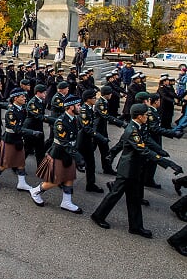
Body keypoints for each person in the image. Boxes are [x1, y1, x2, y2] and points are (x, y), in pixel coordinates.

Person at [91, 104, 183, 238]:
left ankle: (136, 226)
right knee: (114, 195)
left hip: (134, 169)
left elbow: (145, 141)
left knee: (134, 198)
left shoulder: (139, 127)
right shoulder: (132, 130)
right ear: (139, 117)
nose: (147, 117)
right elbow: (143, 150)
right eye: (146, 115)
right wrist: (168, 163)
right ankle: (98, 216)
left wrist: (161, 151)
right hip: (127, 170)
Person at [29, 95, 85, 214]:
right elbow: (65, 143)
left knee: (69, 177)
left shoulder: (74, 118)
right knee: (56, 180)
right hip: (59, 154)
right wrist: (79, 158)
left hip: (68, 154)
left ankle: (66, 202)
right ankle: (36, 191)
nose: (80, 107)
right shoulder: (61, 122)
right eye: (78, 105)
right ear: (71, 107)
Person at [0, 88, 43, 191]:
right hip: (10, 139)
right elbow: (16, 129)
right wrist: (32, 132)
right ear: (15, 98)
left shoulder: (21, 108)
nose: (24, 98)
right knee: (5, 163)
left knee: (21, 162)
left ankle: (21, 183)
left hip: (18, 139)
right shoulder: (11, 112)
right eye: (22, 97)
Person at [94, 86, 127, 175]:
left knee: (105, 150)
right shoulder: (100, 103)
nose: (111, 94)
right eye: (110, 93)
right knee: (90, 150)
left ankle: (107, 168)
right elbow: (106, 116)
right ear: (106, 94)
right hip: (97, 130)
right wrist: (121, 123)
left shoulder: (104, 102)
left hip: (102, 129)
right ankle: (80, 163)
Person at [23, 84, 56, 166]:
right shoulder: (32, 103)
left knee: (40, 150)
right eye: (44, 93)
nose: (45, 94)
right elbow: (39, 116)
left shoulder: (41, 101)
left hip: (39, 128)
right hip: (31, 129)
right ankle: (16, 166)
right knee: (27, 149)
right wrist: (55, 120)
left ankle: (40, 169)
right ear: (38, 93)